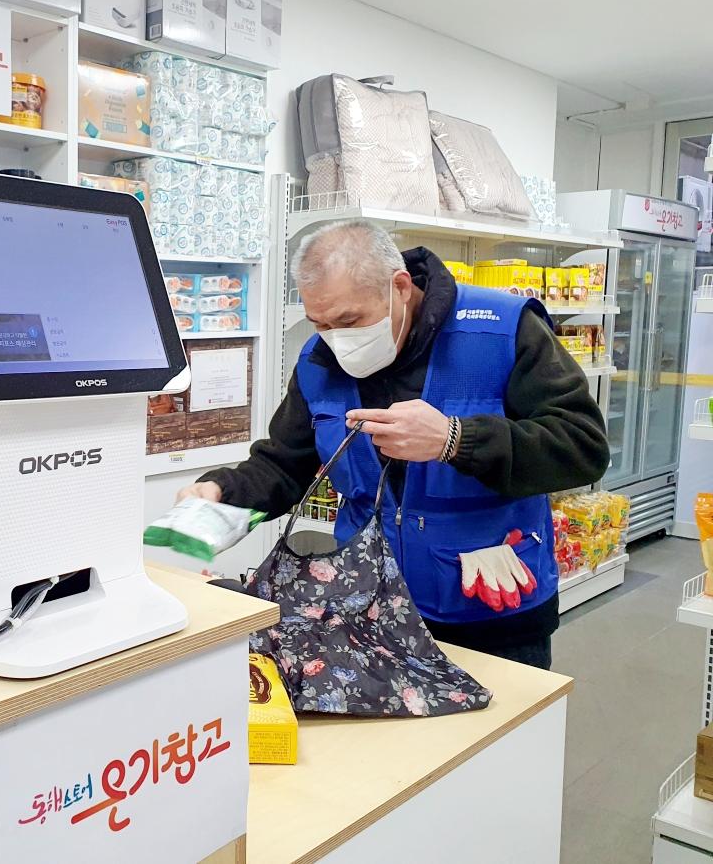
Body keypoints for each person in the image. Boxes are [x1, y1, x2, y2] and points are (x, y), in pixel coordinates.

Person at [180, 219, 609, 668]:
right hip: (367, 608)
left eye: (350, 321)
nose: (337, 339)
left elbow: (583, 447)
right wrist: (221, 492)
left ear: (400, 286)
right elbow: (286, 465)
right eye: (320, 323)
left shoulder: (502, 330)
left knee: (497, 735)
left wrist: (455, 440)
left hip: (492, 608)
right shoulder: (318, 362)